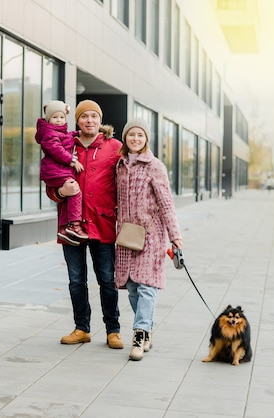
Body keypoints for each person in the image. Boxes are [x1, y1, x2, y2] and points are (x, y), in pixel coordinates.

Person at [47, 100, 124, 349]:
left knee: (106, 279)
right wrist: (60, 191)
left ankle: (113, 330)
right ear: (77, 121)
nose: (89, 120)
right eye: (84, 117)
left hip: (102, 224)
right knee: (76, 279)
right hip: (71, 225)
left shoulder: (115, 147)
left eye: (93, 116)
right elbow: (50, 181)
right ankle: (82, 328)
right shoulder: (65, 145)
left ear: (100, 121)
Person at [115, 118, 183, 361]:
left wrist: (175, 237)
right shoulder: (120, 166)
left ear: (146, 139)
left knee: (146, 287)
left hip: (152, 238)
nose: (135, 138)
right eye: (131, 134)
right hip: (126, 237)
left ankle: (139, 335)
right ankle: (147, 327)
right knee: (132, 287)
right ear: (125, 138)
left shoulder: (155, 166)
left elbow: (166, 203)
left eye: (140, 135)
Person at [35, 100, 88, 245]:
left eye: (62, 117)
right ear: (48, 119)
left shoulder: (57, 132)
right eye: (55, 117)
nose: (59, 120)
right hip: (55, 171)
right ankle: (74, 225)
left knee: (69, 197)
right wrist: (72, 160)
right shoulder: (49, 134)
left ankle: (65, 228)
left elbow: (66, 136)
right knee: (75, 192)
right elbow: (57, 149)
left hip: (58, 171)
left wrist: (78, 133)